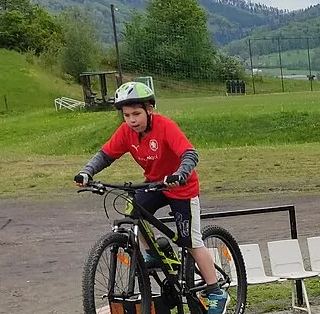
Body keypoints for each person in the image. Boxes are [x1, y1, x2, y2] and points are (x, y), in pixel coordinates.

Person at [72, 81, 217, 279]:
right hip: (154, 185)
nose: (132, 120)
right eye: (127, 115)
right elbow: (105, 155)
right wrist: (87, 172)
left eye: (136, 114)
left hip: (181, 188)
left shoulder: (165, 126)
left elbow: (190, 154)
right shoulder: (126, 132)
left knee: (190, 241)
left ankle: (215, 289)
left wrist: (181, 174)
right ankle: (154, 254)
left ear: (149, 110)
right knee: (134, 212)